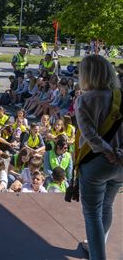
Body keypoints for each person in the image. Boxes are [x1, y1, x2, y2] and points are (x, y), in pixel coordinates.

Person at [75, 54, 123, 259]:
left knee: (92, 213)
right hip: (121, 163)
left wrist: (107, 151)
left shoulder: (84, 100)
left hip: (96, 162)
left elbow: (89, 134)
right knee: (107, 206)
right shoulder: (120, 97)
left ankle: (97, 255)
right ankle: (98, 246)